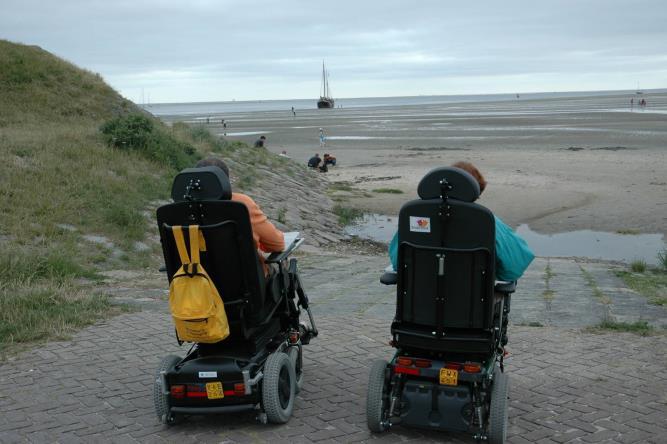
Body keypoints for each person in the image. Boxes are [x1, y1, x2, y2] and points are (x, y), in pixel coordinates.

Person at [388, 161, 534, 282]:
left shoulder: (415, 218)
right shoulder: (486, 221)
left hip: (420, 300)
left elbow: (397, 263)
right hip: (474, 304)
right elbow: (514, 269)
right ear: (474, 192)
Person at [195, 157, 284, 275]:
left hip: (196, 285)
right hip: (245, 285)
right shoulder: (241, 204)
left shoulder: (179, 209)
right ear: (225, 182)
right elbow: (276, 244)